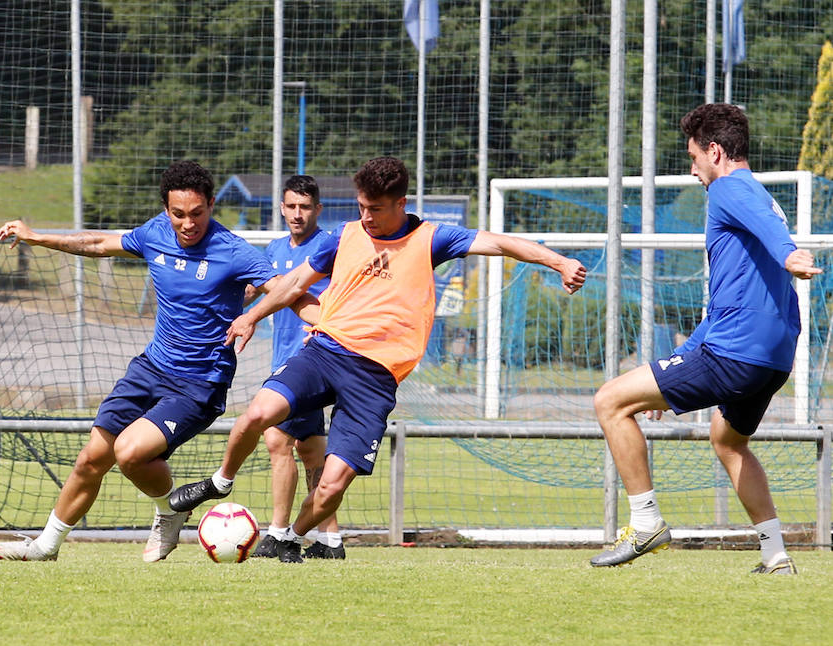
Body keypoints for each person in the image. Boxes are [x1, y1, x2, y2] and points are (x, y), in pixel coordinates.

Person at [168, 156, 587, 562]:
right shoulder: (344, 236)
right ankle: (221, 482)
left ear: (401, 204)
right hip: (326, 351)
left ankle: (289, 538)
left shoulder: (431, 238)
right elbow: (294, 281)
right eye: (362, 206)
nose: (366, 216)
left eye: (376, 209)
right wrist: (251, 316)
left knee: (332, 485)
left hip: (375, 378)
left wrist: (559, 261)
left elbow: (499, 242)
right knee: (259, 413)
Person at [0, 160, 300, 562]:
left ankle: (169, 511)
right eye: (178, 214)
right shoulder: (154, 233)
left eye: (198, 214)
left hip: (199, 384)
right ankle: (46, 546)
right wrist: (37, 237)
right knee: (91, 459)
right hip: (150, 368)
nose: (188, 224)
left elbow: (286, 289)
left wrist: (254, 315)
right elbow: (97, 245)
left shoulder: (233, 250)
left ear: (212, 204)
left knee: (130, 454)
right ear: (166, 210)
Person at [589, 103, 822, 573]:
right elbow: (722, 308)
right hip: (774, 358)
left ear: (714, 151)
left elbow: (770, 232)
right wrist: (675, 360)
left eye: (693, 156)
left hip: (736, 352)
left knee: (610, 401)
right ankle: (775, 554)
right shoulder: (756, 191)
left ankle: (646, 524)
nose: (692, 169)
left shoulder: (730, 189)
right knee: (728, 440)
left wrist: (790, 255)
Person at [249, 175, 345, 560]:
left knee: (276, 440)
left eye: (305, 207)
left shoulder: (328, 247)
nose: (297, 214)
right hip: (283, 362)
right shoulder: (273, 249)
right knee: (311, 451)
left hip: (313, 361)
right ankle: (330, 540)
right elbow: (254, 289)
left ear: (318, 210)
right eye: (291, 206)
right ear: (282, 208)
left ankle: (277, 533)